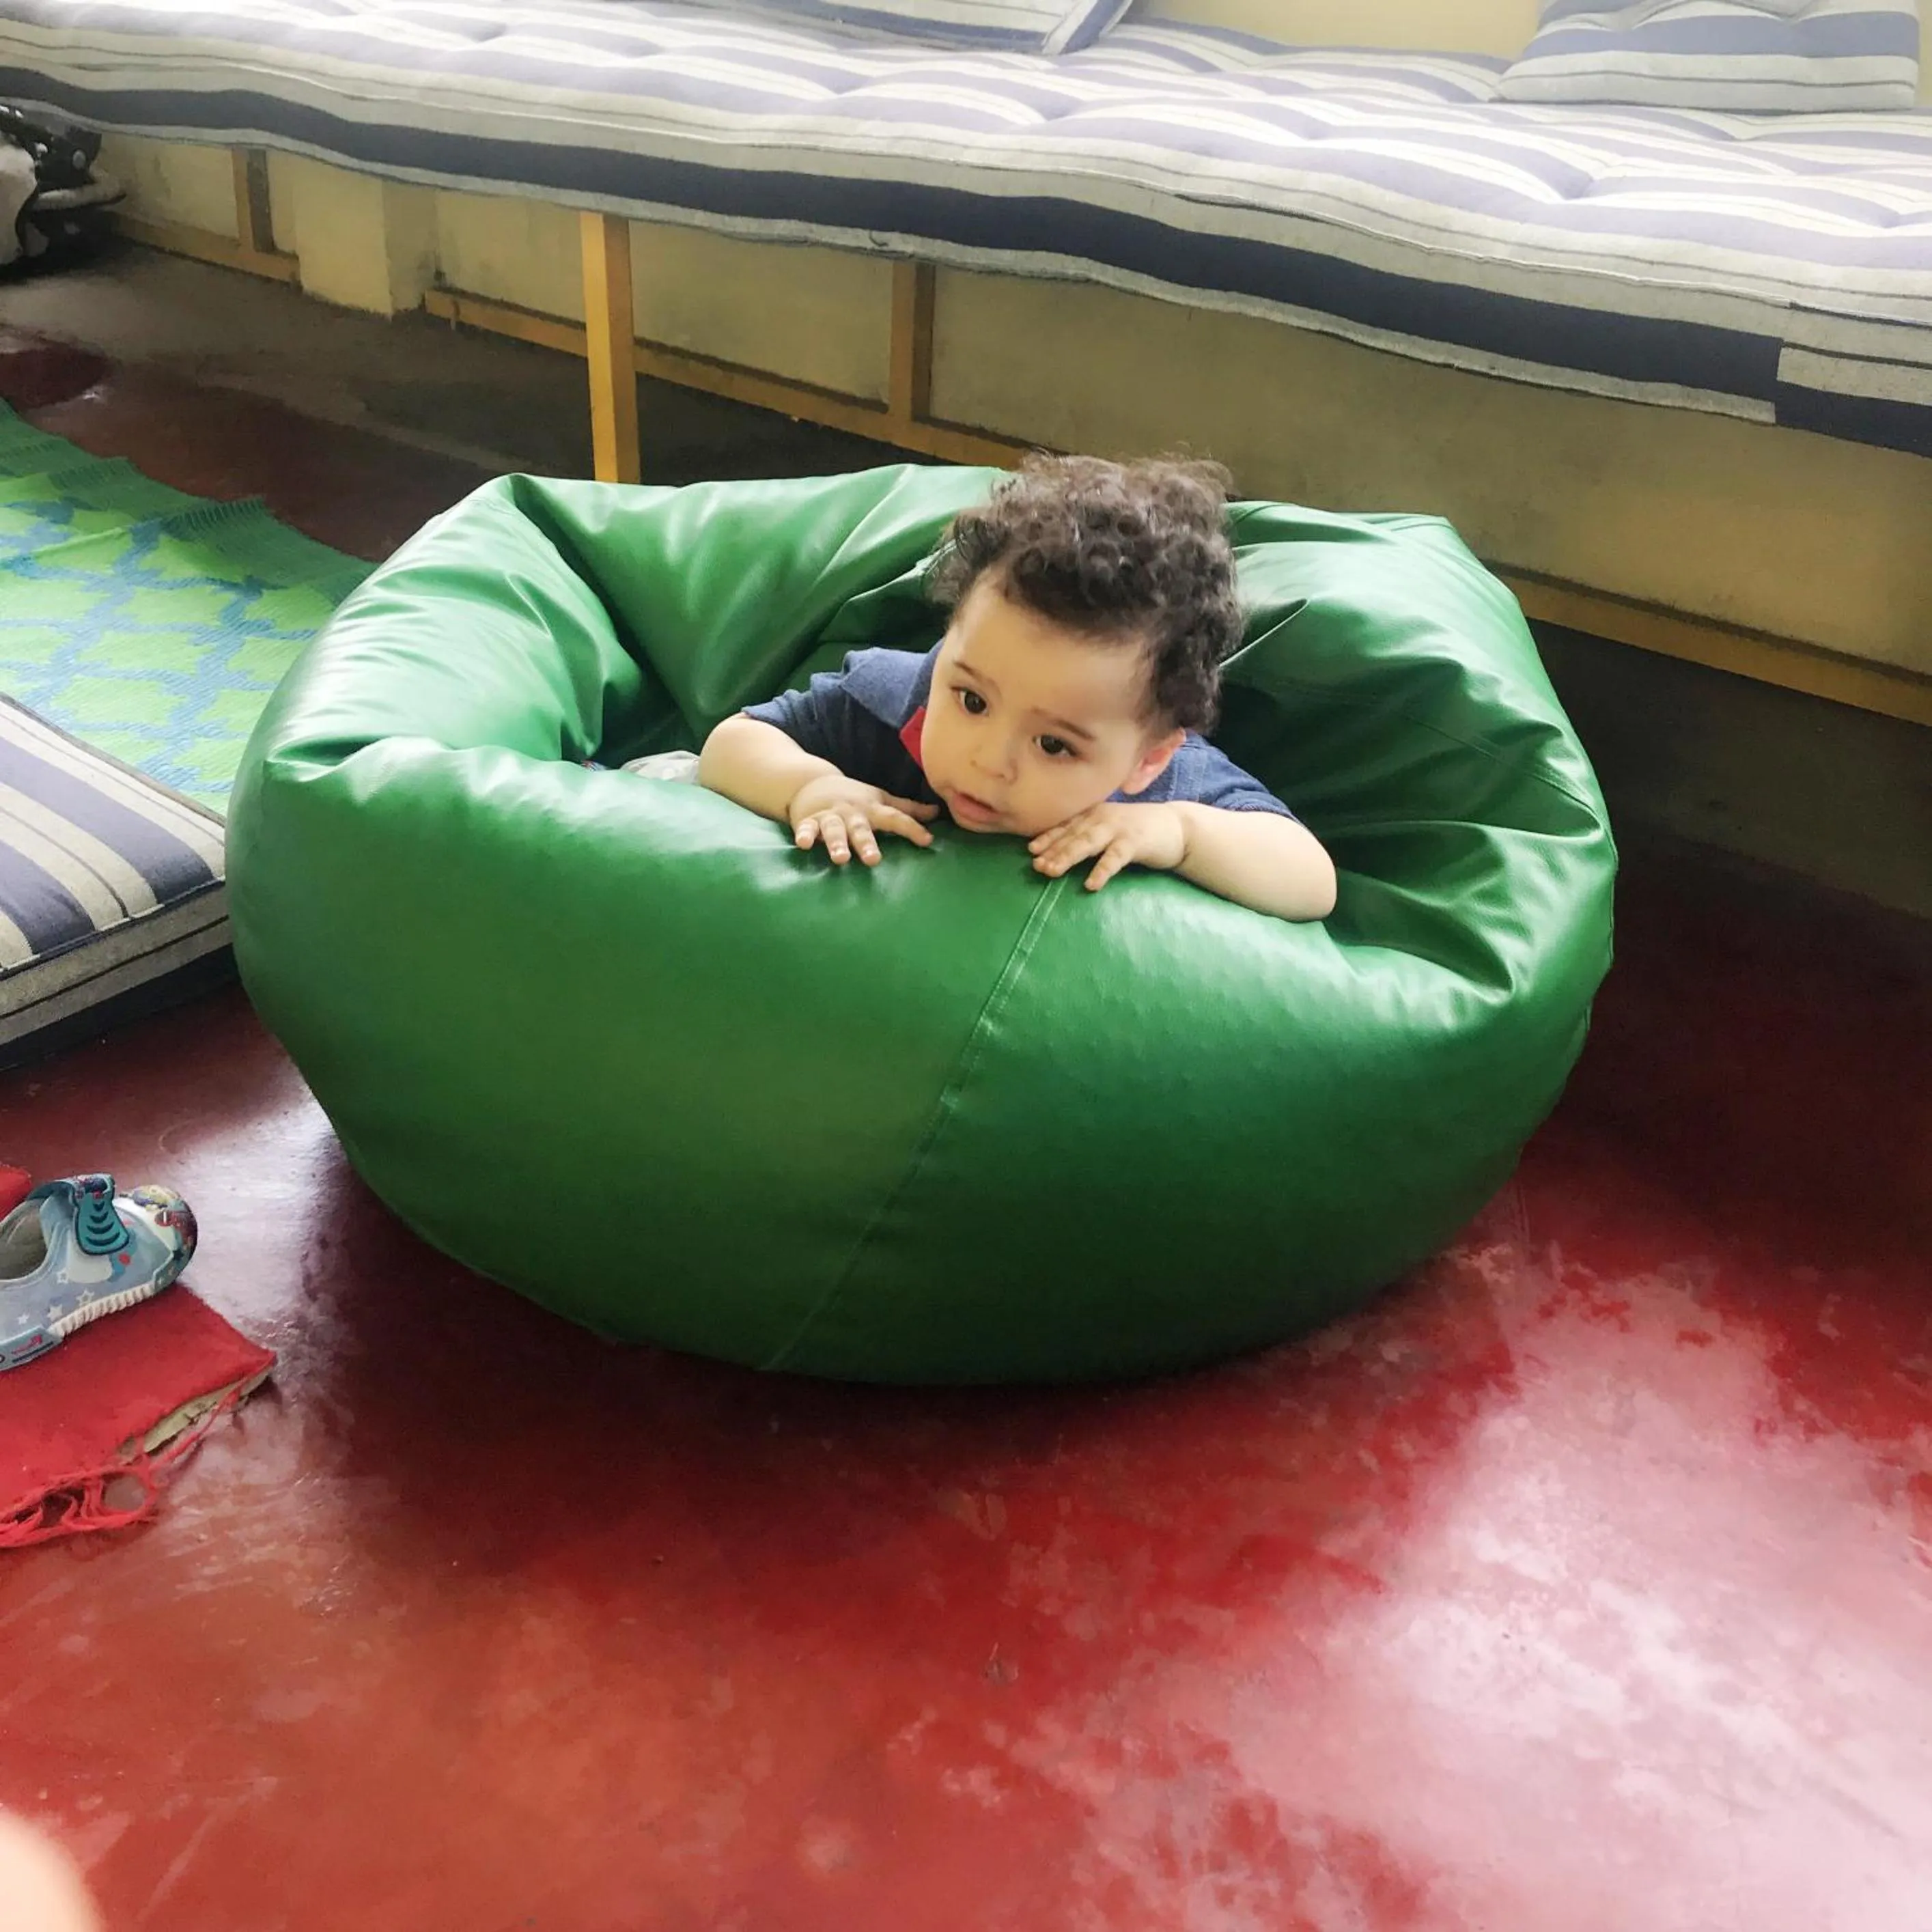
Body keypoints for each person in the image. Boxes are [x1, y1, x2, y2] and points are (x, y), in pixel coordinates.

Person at [697, 455, 1336, 923]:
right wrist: (811, 787)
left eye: (1054, 745)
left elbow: (1311, 881)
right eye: (971, 700)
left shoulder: (1159, 787)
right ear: (949, 638)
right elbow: (731, 743)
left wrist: (1178, 834)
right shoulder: (892, 698)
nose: (988, 761)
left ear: (1148, 757)